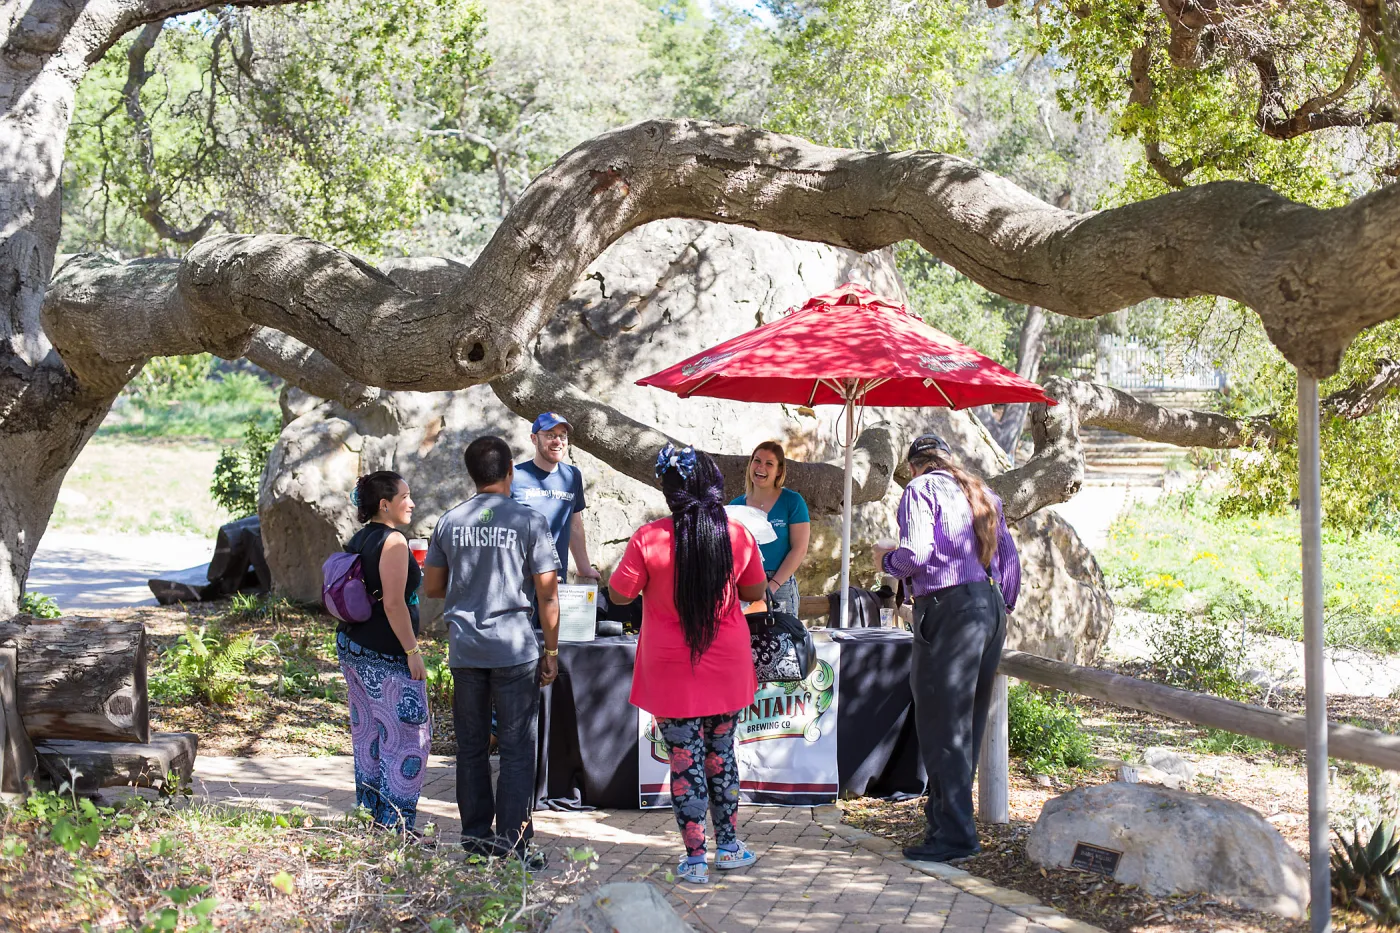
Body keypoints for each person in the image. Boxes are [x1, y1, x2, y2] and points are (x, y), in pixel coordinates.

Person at [609, 444, 769, 885]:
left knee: (685, 759)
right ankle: (731, 847)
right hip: (726, 662)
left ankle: (696, 858)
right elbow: (755, 589)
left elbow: (619, 595)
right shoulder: (737, 534)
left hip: (670, 667)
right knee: (722, 753)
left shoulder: (649, 537)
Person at [873, 434, 1021, 864]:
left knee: (941, 725)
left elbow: (917, 554)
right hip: (989, 608)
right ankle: (946, 823)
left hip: (948, 608)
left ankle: (954, 834)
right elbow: (1009, 562)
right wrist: (996, 608)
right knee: (966, 724)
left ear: (914, 467)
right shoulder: (982, 492)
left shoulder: (920, 490)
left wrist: (886, 559)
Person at [422, 436, 562, 870]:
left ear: (471, 475)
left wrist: (469, 581)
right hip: (515, 650)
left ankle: (477, 842)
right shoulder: (529, 521)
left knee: (470, 749)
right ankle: (515, 843)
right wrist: (552, 650)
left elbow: (431, 587)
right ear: (510, 473)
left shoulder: (449, 521)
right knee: (518, 749)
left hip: (466, 651)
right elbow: (547, 593)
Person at [336, 470, 430, 832]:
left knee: (369, 737)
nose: (412, 503)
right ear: (384, 504)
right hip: (385, 654)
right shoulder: (393, 542)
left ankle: (373, 818)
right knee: (408, 738)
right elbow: (393, 604)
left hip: (354, 646)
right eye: (405, 496)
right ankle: (397, 825)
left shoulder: (361, 538)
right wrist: (413, 650)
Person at [512, 412, 599, 582]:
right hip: (520, 583)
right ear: (534, 439)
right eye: (550, 435)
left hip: (556, 581)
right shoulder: (515, 476)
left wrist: (584, 568)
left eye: (562, 436)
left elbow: (574, 525)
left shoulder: (572, 475)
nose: (558, 441)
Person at [729, 441, 809, 617]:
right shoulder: (735, 506)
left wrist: (771, 586)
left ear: (779, 471)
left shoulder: (792, 501)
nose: (761, 467)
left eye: (769, 464)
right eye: (757, 461)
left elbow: (800, 549)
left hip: (779, 585)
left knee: (783, 642)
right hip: (744, 586)